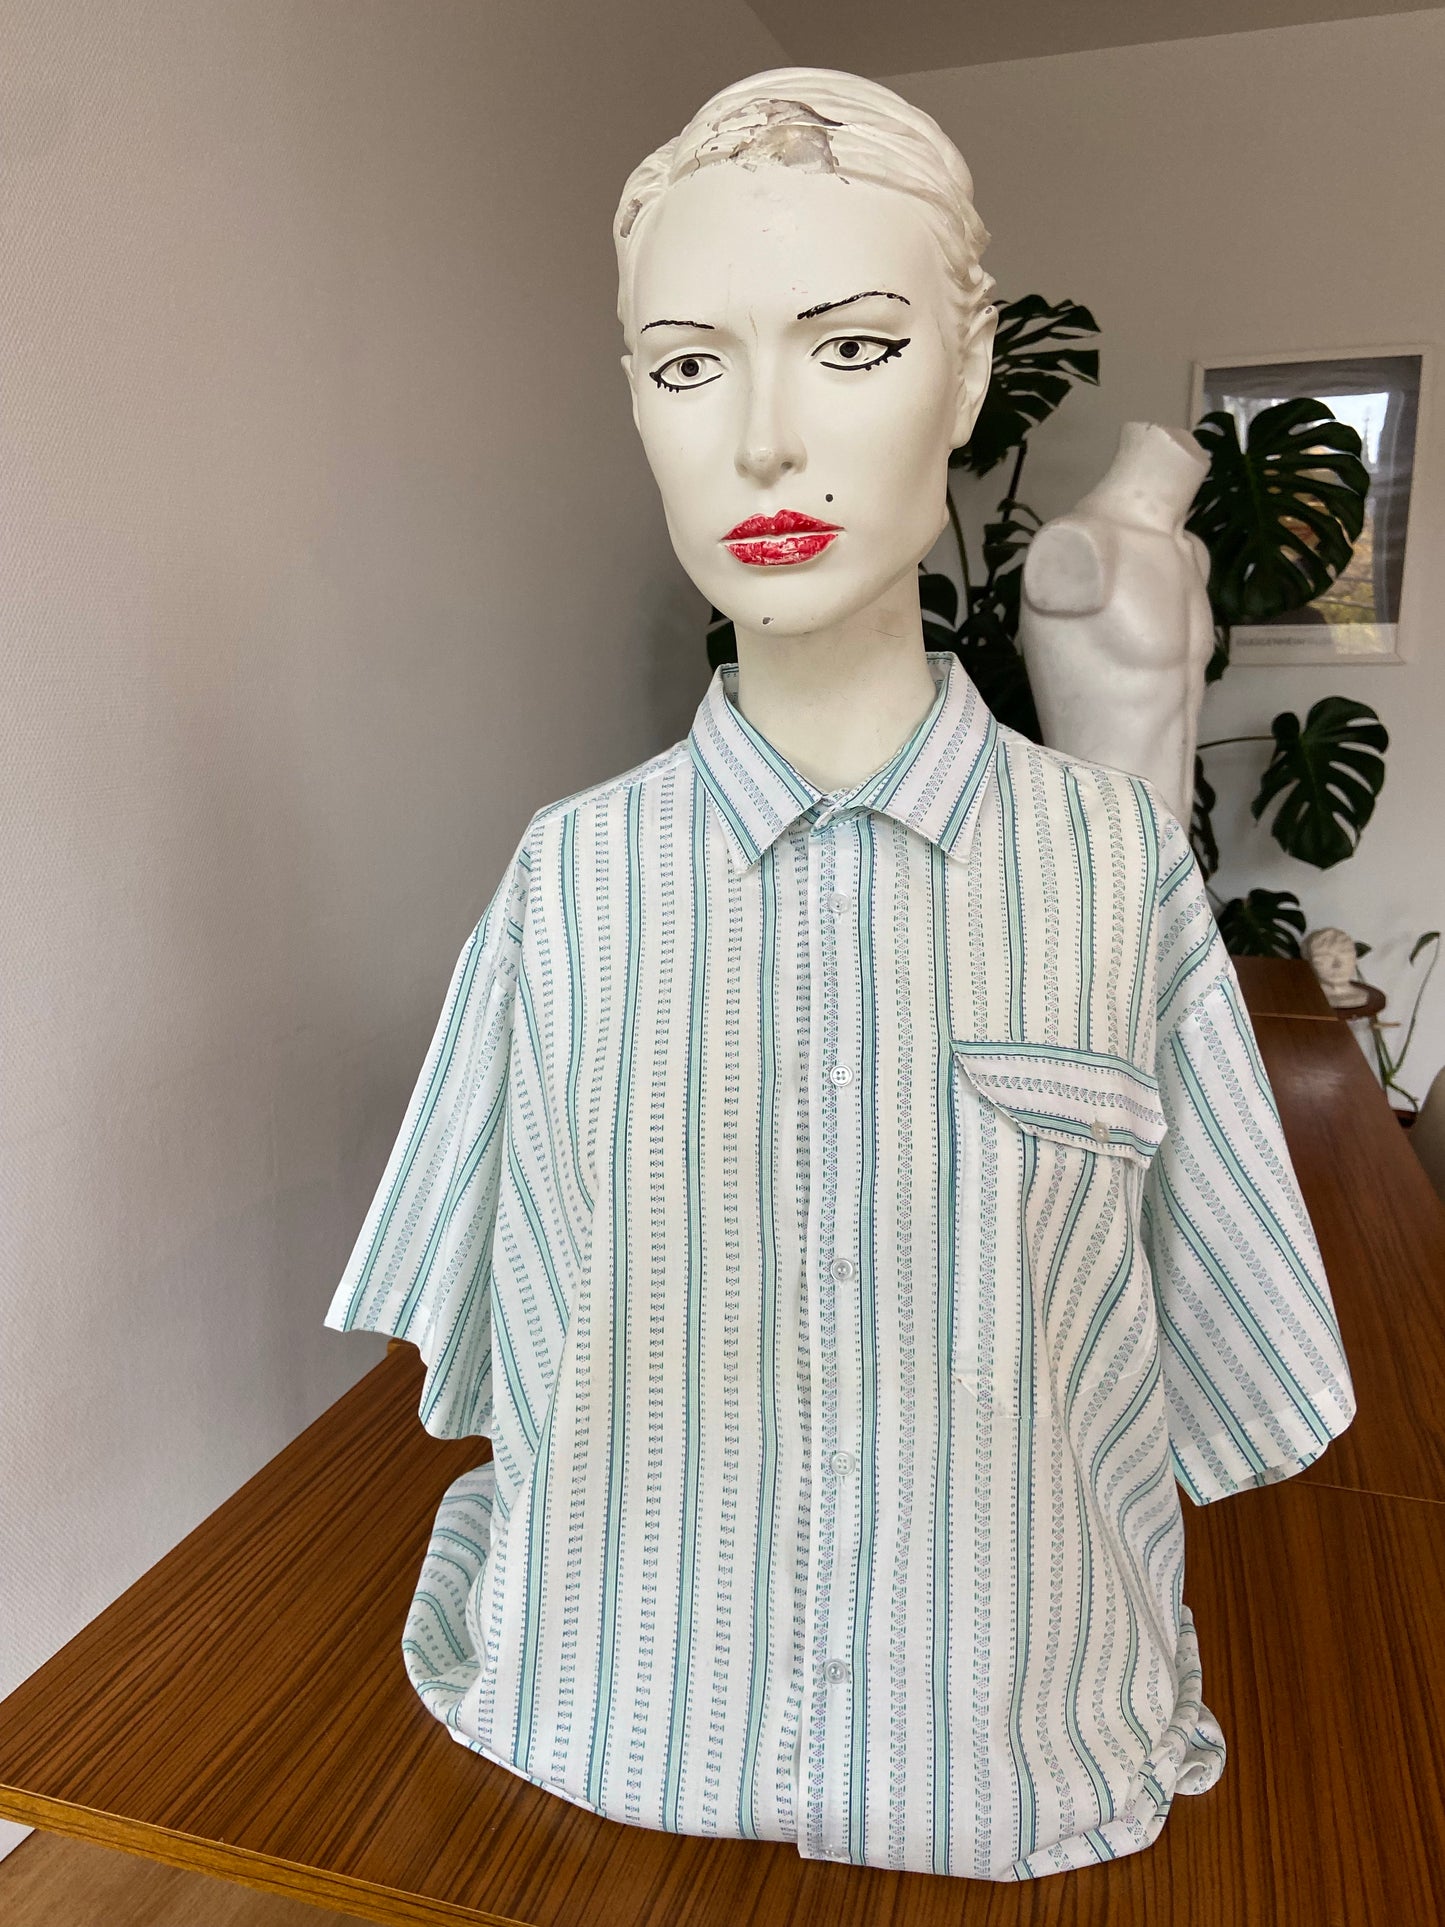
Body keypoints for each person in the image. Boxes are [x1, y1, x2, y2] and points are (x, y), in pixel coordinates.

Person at [324, 68, 1356, 1881]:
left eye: (852, 348)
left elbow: (1225, 1350)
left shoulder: (1108, 872)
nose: (761, 442)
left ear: (964, 376)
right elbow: (486, 1334)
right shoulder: (569, 882)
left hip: (1021, 1749)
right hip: (600, 1714)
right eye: (686, 364)